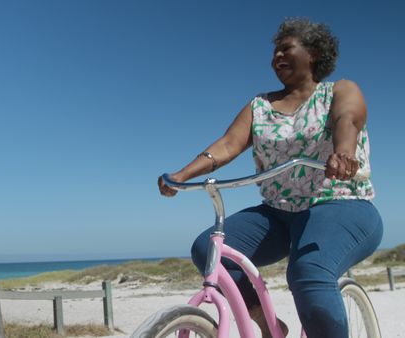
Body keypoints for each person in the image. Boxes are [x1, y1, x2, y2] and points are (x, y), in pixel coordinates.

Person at [158, 18, 382, 338]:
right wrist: (182, 174)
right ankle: (268, 326)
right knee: (207, 250)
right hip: (278, 213)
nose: (277, 56)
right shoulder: (259, 105)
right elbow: (226, 145)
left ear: (314, 53)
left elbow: (348, 119)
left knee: (308, 273)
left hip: (340, 203)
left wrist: (344, 152)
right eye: (274, 51)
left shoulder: (339, 91)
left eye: (286, 48)